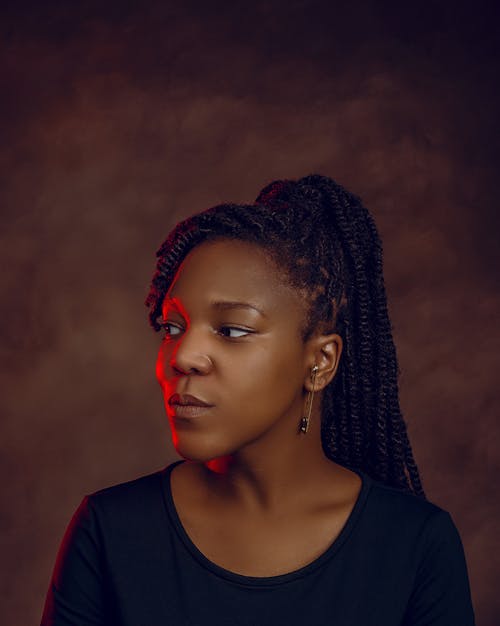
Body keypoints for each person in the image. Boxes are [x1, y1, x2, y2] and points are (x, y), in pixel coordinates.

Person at [40, 174, 476, 625]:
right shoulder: (109, 531)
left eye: (232, 330)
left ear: (321, 361)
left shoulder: (415, 544)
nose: (184, 356)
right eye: (172, 328)